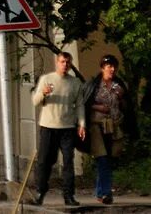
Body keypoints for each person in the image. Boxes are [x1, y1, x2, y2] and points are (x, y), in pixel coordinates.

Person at [32, 51, 86, 207]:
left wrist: (82, 124)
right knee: (44, 161)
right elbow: (36, 101)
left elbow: (80, 105)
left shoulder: (75, 82)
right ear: (57, 62)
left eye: (68, 62)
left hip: (67, 127)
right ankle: (40, 192)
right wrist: (43, 93)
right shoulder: (47, 79)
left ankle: (69, 195)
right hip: (48, 126)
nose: (65, 65)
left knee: (68, 162)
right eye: (62, 62)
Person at [83, 54, 138, 205]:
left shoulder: (118, 85)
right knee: (102, 159)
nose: (112, 69)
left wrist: (122, 98)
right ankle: (106, 193)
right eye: (109, 66)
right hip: (97, 126)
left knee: (110, 159)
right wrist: (97, 106)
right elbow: (85, 104)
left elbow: (127, 108)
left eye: (114, 66)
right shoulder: (94, 85)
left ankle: (100, 192)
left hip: (114, 127)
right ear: (102, 68)